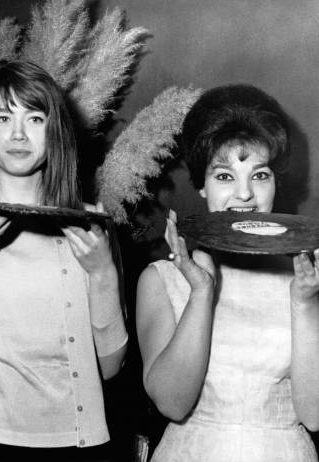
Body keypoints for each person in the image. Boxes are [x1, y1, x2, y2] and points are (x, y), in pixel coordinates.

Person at [0, 59, 128, 461]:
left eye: (34, 118)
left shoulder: (91, 229)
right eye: (2, 118)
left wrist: (102, 272)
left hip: (76, 441)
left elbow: (110, 366)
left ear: (55, 131)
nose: (17, 134)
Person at [136, 84, 319, 461]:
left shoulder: (310, 277)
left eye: (260, 175)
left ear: (276, 181)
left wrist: (304, 304)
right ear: (201, 185)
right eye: (224, 176)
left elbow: (315, 415)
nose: (244, 194)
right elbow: (172, 403)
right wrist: (201, 292)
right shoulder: (161, 279)